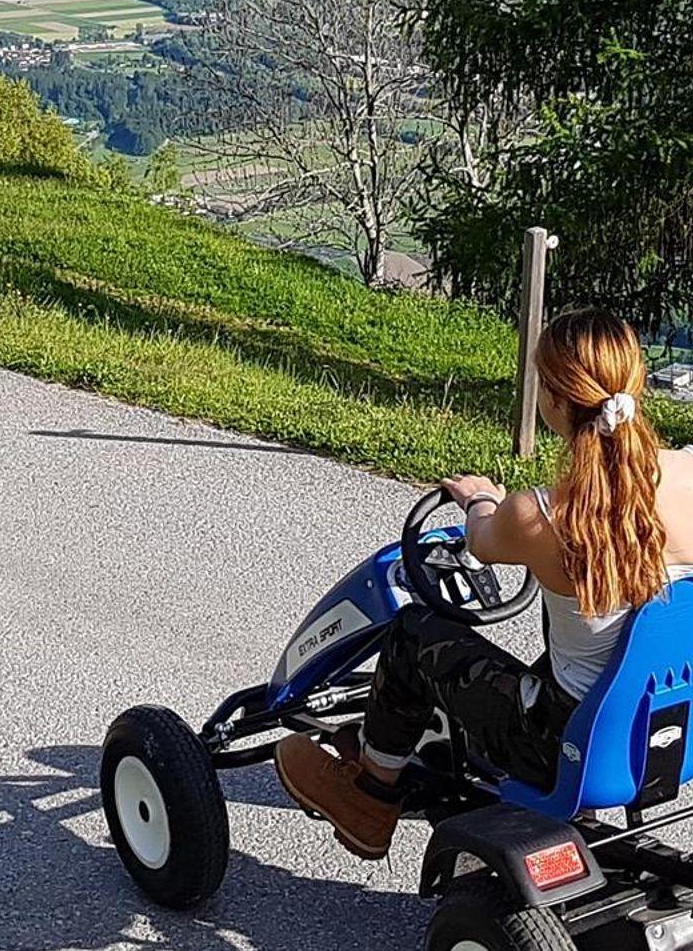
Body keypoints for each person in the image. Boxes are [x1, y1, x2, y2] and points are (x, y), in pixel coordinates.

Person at [274, 308, 693, 859]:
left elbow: (481, 540)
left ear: (554, 400)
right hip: (669, 726)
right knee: (596, 645)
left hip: (561, 741)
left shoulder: (539, 516)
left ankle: (370, 796)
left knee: (414, 633)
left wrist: (480, 498)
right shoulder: (688, 474)